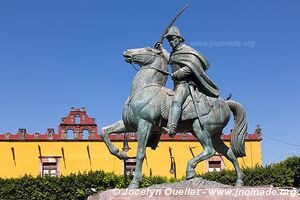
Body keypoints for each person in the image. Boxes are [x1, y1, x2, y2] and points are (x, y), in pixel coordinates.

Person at [155, 26, 219, 136]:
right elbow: (170, 59)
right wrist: (161, 48)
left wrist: (178, 73)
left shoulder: (187, 51)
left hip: (185, 85)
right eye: (169, 40)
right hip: (177, 85)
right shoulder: (175, 53)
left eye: (173, 38)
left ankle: (172, 127)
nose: (171, 41)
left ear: (180, 38)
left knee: (176, 101)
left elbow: (193, 66)